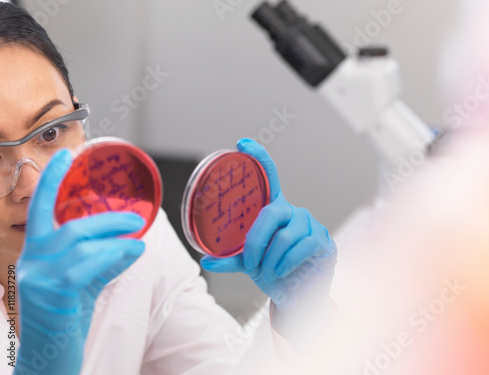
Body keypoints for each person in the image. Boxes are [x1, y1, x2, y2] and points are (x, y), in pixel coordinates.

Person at [0, 3, 337, 374]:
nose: (30, 187)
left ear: (81, 122)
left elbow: (216, 365)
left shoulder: (126, 224)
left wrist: (299, 325)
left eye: (50, 132)